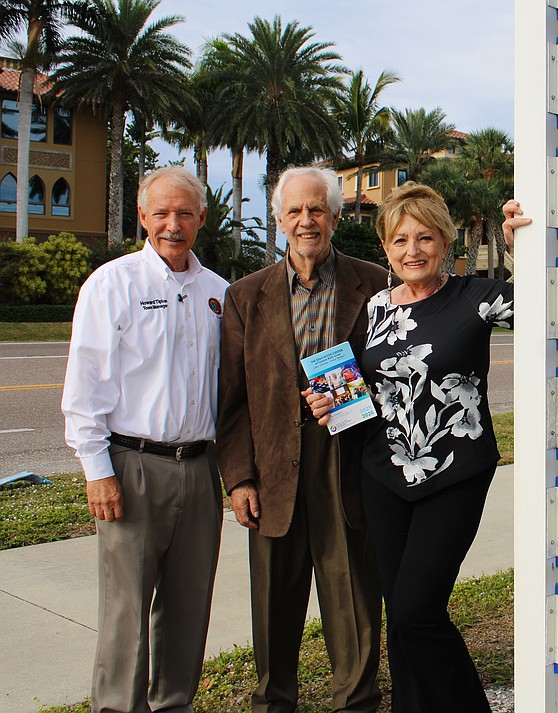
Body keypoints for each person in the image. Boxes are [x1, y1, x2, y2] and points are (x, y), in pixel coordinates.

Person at [306, 184, 530, 713]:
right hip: (384, 476)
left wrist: (522, 246)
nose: (413, 250)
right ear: (385, 247)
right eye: (400, 239)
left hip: (454, 472)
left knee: (416, 611)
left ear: (446, 241)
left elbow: (543, 303)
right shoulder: (375, 308)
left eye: (425, 237)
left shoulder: (476, 297)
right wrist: (327, 401)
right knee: (398, 613)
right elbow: (358, 386)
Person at [217, 166, 389, 713]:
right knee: (273, 604)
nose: (306, 220)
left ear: (335, 216)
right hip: (272, 471)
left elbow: (399, 374)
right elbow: (233, 399)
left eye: (317, 209)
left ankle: (356, 702)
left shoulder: (378, 285)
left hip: (349, 462)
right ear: (279, 219)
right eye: (294, 211)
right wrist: (240, 477)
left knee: (354, 602)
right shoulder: (246, 296)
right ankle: (274, 702)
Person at [61, 166, 228, 713]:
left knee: (187, 608)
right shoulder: (112, 285)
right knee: (126, 611)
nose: (173, 225)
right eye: (161, 213)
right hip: (131, 466)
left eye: (184, 213)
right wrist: (97, 470)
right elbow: (85, 387)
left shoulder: (219, 294)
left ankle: (173, 704)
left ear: (202, 218)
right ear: (142, 216)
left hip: (201, 470)